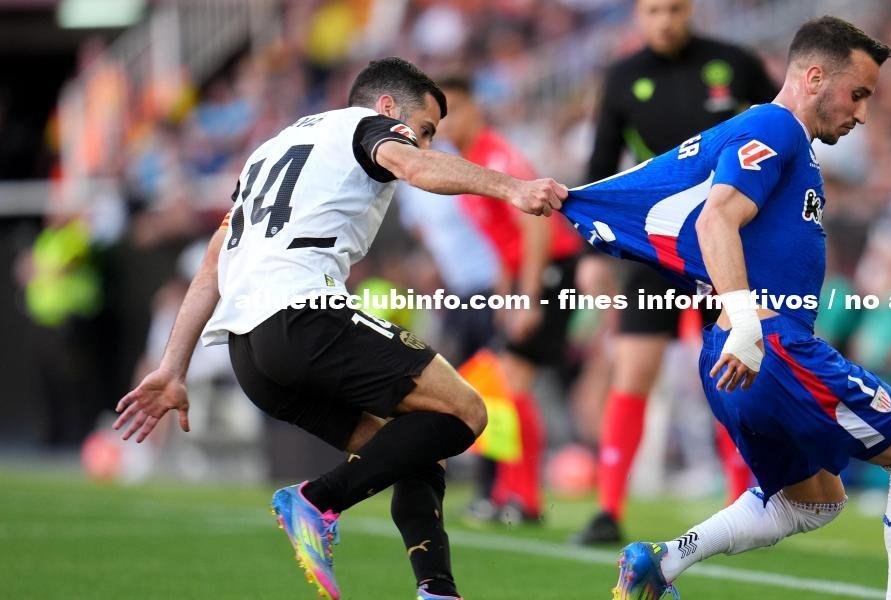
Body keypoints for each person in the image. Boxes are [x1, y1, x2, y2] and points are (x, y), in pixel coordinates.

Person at [113, 57, 566, 600]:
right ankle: (317, 499)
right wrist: (512, 187)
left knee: (414, 448)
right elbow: (416, 169)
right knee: (466, 410)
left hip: (250, 355)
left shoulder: (271, 150)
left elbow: (214, 263)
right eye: (424, 130)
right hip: (303, 315)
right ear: (388, 107)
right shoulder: (368, 127)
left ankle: (437, 591)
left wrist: (171, 368)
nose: (423, 143)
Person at [562, 17, 891, 600]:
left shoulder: (788, 141)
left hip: (736, 357)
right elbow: (716, 216)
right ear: (814, 76)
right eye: (858, 94)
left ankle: (662, 563)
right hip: (767, 346)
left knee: (813, 502)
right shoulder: (777, 125)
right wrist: (748, 323)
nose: (862, 113)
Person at [577, 0, 777, 545]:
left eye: (674, 9)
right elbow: (600, 164)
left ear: (690, 10)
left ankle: (746, 502)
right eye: (653, 10)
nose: (664, 20)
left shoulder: (735, 63)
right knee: (632, 370)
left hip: (728, 245)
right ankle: (608, 508)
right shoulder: (622, 78)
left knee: (734, 364)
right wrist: (593, 256)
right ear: (638, 17)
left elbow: (784, 136)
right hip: (656, 248)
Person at [436, 75, 584, 523]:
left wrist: (530, 296)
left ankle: (524, 499)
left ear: (476, 109)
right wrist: (506, 295)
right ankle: (509, 496)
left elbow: (536, 225)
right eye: (441, 115)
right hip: (526, 276)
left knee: (511, 382)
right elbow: (503, 242)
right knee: (502, 385)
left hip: (551, 271)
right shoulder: (471, 164)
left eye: (455, 109)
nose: (447, 122)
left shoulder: (496, 155)